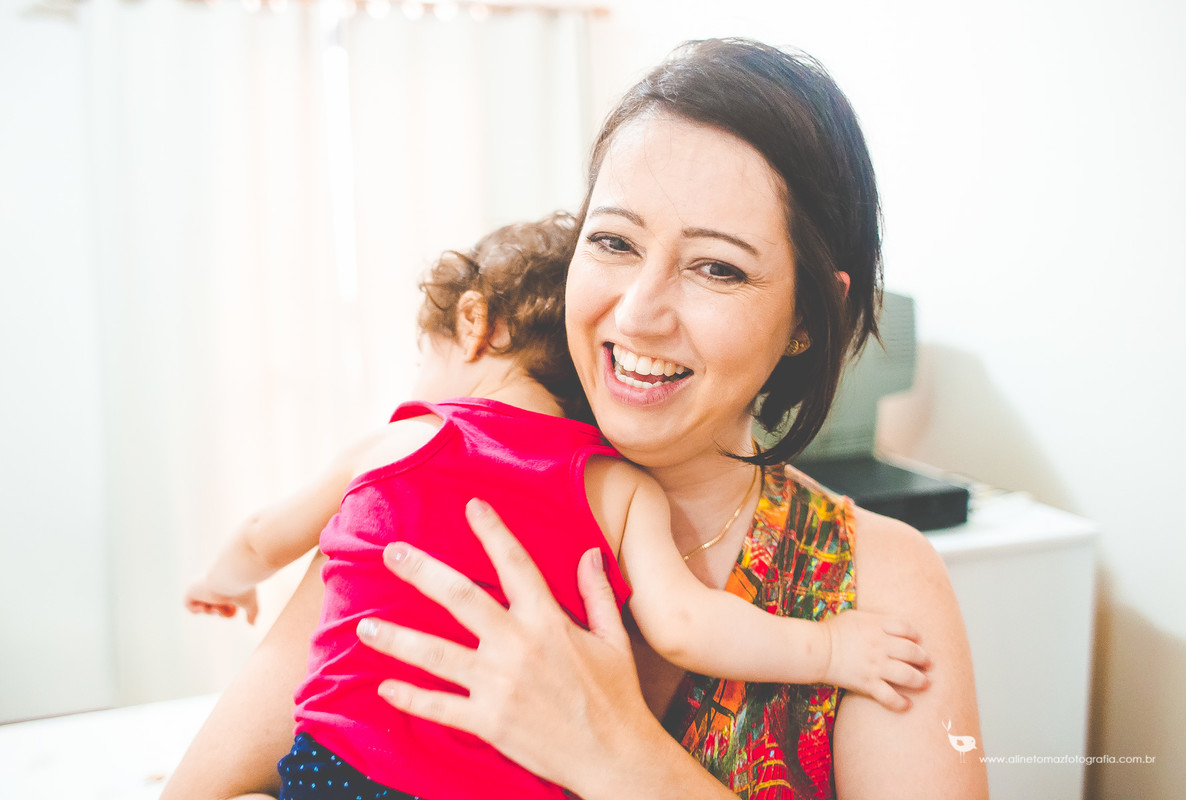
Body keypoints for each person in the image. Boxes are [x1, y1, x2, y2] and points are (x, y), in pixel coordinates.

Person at [162, 37, 988, 800]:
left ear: (810, 313)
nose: (638, 314)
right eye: (616, 244)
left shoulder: (873, 587)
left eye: (716, 268)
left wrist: (619, 757)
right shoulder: (430, 502)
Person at [182, 213, 929, 799]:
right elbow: (687, 626)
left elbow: (259, 536)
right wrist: (830, 650)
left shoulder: (397, 448)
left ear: (474, 323)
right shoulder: (616, 486)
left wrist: (225, 581)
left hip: (335, 771)